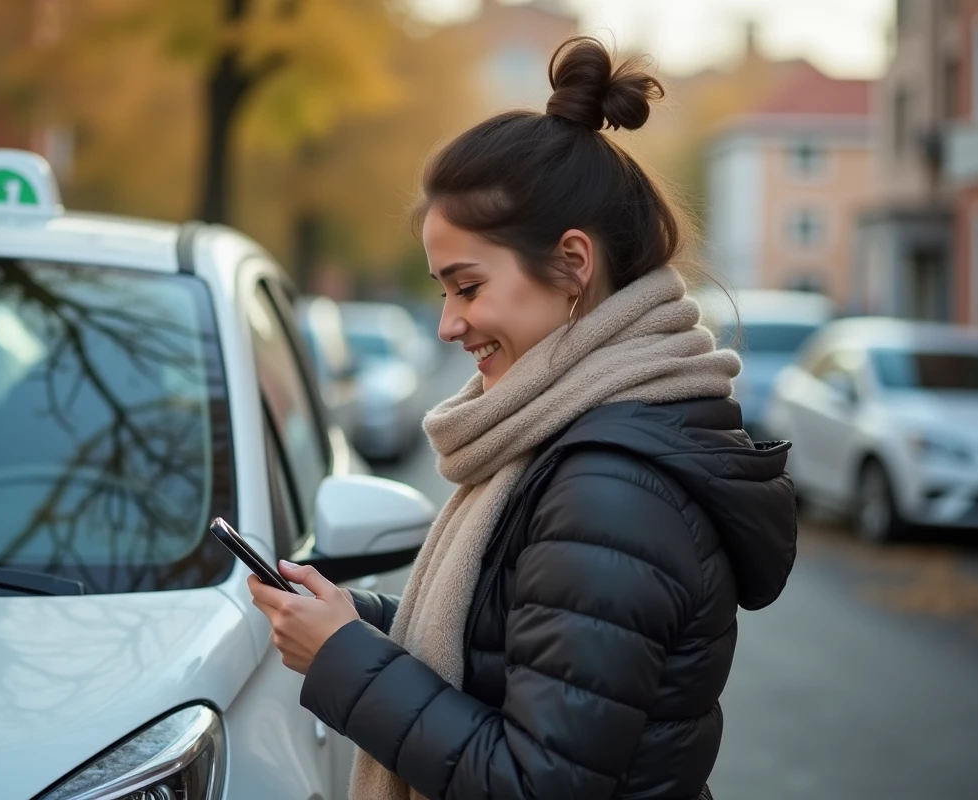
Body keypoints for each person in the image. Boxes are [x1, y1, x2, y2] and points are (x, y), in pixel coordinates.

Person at [248, 35, 797, 800]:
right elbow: (514, 640)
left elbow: (540, 783)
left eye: (468, 287)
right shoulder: (579, 434)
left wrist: (344, 660)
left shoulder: (612, 491)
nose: (449, 324)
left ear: (572, 265)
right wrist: (357, 622)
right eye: (442, 290)